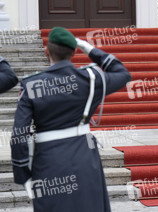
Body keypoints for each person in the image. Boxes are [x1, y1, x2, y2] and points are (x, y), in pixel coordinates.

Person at [10, 27, 131, 212]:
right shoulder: (90, 78)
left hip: (48, 160)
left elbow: (19, 133)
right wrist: (89, 48)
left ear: (46, 51)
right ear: (74, 52)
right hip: (84, 157)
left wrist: (22, 173)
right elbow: (123, 74)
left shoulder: (32, 84)